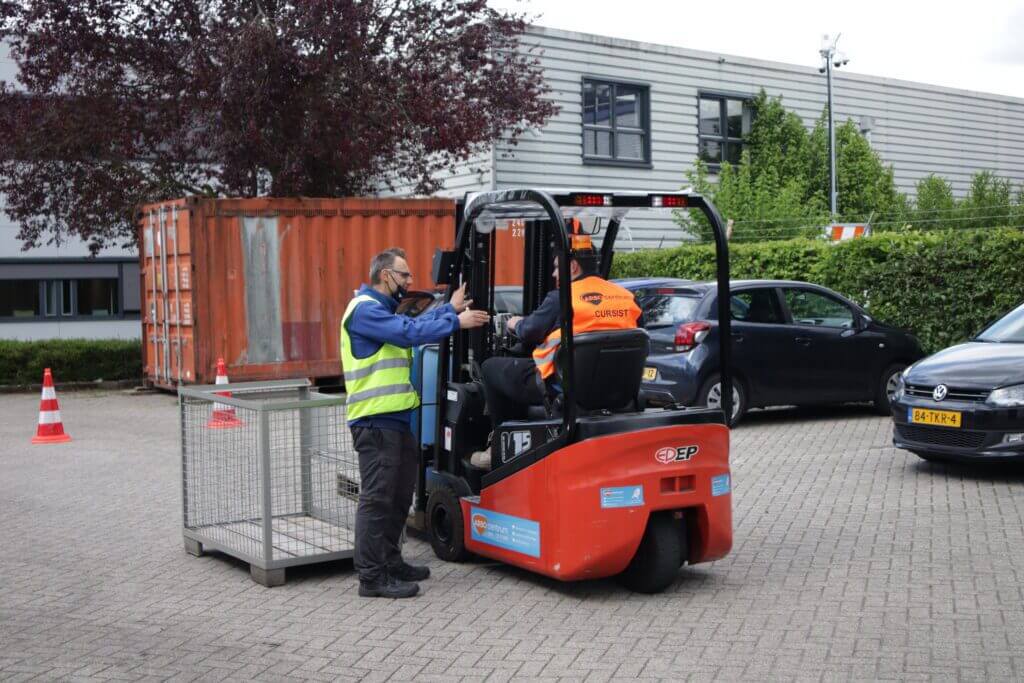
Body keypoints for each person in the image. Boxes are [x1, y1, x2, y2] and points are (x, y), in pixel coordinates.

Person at [341, 247, 489, 598]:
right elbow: (409, 332)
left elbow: (412, 325)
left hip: (395, 421)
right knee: (378, 500)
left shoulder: (383, 311)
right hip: (375, 423)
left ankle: (391, 561)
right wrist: (456, 320)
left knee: (399, 497)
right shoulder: (364, 312)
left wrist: (448, 308)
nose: (409, 281)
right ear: (384, 275)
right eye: (403, 275)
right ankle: (372, 577)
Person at [472, 235, 641, 468]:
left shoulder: (562, 298)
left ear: (572, 266)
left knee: (491, 367)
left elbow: (530, 331)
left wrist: (514, 323)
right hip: (615, 390)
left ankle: (499, 447)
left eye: (556, 268)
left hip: (561, 386)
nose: (553, 275)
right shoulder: (624, 297)